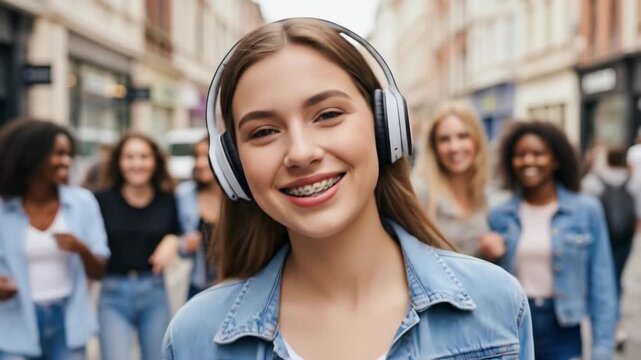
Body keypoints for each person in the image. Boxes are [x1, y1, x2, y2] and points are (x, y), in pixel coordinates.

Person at [162, 18, 534, 359]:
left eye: (328, 115)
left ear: (385, 126)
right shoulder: (194, 338)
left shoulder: (496, 305)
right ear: (233, 167)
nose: (302, 153)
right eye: (263, 132)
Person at [489, 121, 617, 360]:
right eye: (520, 155)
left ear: (556, 160)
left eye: (538, 154)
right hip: (512, 326)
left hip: (563, 329)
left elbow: (603, 285)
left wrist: (602, 349)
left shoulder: (586, 210)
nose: (528, 161)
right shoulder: (499, 214)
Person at [0, 119, 109, 359]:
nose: (66, 161)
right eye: (58, 154)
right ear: (31, 156)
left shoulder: (83, 203)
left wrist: (82, 249)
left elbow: (100, 270)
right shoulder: (3, 208)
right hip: (13, 324)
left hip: (68, 323)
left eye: (69, 154)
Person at [95, 133, 180, 360]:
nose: (137, 164)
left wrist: (173, 240)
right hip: (113, 294)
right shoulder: (101, 200)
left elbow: (180, 231)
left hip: (154, 291)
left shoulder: (168, 199)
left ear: (155, 161)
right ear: (119, 162)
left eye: (144, 157)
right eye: (129, 157)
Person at [412, 102, 505, 260]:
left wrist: (495, 250)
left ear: (477, 141)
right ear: (434, 147)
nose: (454, 147)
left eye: (463, 136)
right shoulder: (420, 193)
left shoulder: (487, 196)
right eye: (444, 139)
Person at [582, 145, 641, 350]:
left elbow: (585, 212)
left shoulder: (593, 181)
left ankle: (612, 327)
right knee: (614, 279)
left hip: (601, 239)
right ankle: (616, 326)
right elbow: (638, 211)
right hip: (624, 239)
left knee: (607, 280)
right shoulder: (633, 180)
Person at [176, 136, 223, 299]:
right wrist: (184, 245)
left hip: (238, 284)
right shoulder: (185, 194)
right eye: (197, 156)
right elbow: (179, 242)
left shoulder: (239, 197)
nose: (200, 163)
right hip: (200, 286)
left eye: (207, 156)